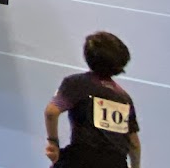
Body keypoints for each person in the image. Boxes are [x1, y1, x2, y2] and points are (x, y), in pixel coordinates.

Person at [44, 32, 140, 168]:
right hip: (116, 163)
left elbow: (51, 112)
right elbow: (134, 144)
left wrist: (53, 142)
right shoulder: (124, 98)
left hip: (80, 159)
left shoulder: (77, 83)